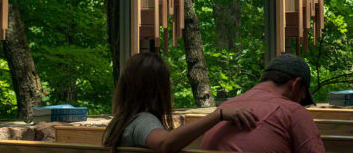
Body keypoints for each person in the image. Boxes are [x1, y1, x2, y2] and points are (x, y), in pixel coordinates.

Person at [102, 52, 258, 153]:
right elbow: (165, 143)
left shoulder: (119, 123)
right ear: (157, 87)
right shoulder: (142, 121)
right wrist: (219, 115)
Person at [202, 53, 325, 153]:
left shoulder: (224, 108)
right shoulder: (294, 112)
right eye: (303, 94)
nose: (302, 98)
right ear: (296, 84)